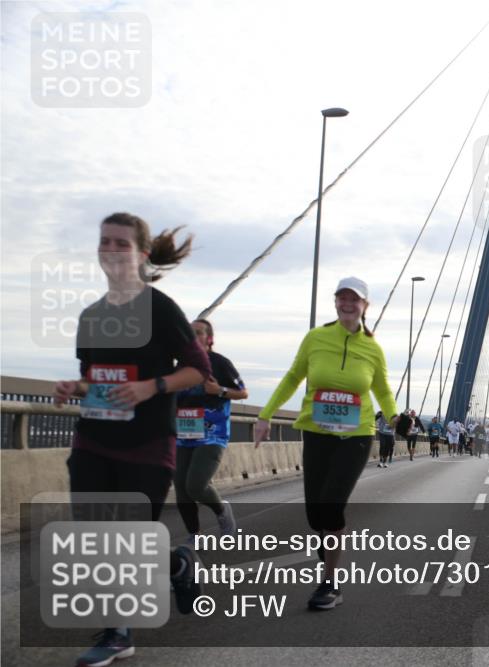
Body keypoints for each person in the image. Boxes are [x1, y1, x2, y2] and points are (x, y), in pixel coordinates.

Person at [52, 212, 211, 667]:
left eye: (121, 243)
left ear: (141, 255)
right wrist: (74, 388)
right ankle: (117, 631)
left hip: (147, 444)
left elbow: (197, 369)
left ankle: (175, 566)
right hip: (94, 439)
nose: (110, 249)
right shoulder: (92, 315)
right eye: (104, 241)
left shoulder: (160, 309)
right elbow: (94, 377)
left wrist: (151, 386)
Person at [253, 276, 398, 610]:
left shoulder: (372, 348)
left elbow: (382, 391)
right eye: (342, 298)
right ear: (336, 303)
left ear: (365, 306)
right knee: (315, 514)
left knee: (332, 506)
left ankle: (330, 582)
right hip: (317, 433)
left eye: (355, 299)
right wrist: (265, 415)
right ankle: (328, 541)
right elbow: (292, 377)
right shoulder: (316, 338)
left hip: (356, 436)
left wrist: (393, 418)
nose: (348, 303)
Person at [175, 318, 247, 544]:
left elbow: (243, 393)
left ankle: (222, 511)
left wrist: (220, 390)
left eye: (197, 333)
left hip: (212, 434)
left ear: (209, 339)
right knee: (181, 491)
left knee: (195, 485)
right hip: (183, 433)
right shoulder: (181, 366)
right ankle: (194, 536)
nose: (192, 337)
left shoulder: (220, 363)